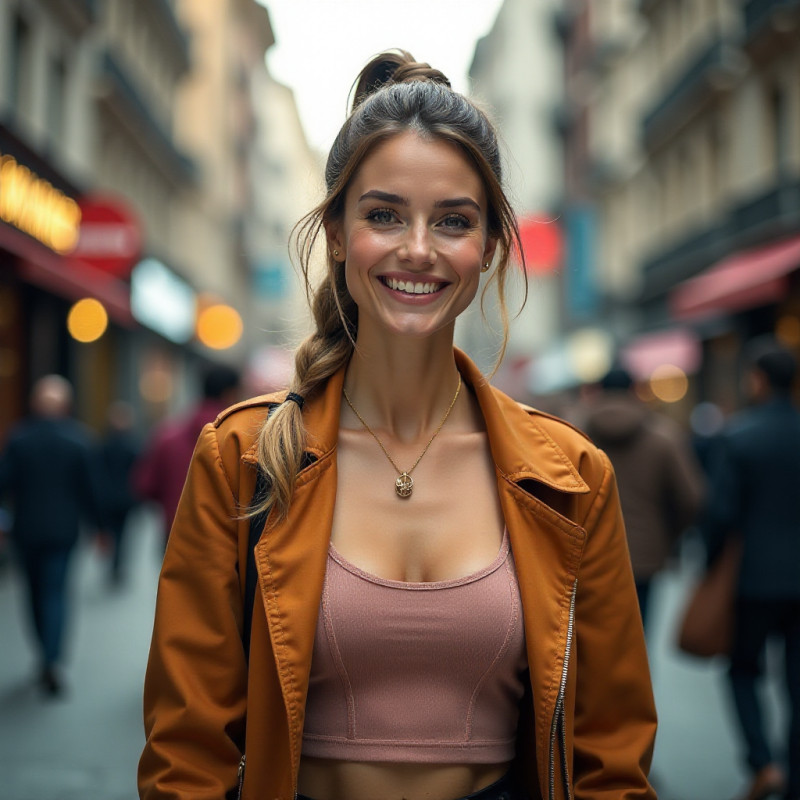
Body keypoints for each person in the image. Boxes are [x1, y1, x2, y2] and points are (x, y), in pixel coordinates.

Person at [138, 51, 657, 800]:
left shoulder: (572, 476)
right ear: (340, 234)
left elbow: (610, 755)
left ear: (488, 248)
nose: (418, 248)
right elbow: (185, 753)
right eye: (384, 215)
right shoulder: (242, 457)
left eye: (453, 220)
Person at [701, 337, 800, 800]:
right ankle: (795, 768)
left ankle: (763, 763)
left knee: (744, 670)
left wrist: (709, 567)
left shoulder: (739, 437)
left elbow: (720, 515)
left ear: (758, 379)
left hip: (752, 579)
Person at [0, 375, 101, 696]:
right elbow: (91, 490)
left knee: (33, 594)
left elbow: (3, 485)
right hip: (63, 531)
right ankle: (52, 659)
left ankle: (44, 652)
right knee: (55, 593)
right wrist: (101, 528)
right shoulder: (78, 440)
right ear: (66, 406)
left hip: (26, 530)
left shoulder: (19, 439)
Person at [583, 366, 705, 632]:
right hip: (646, 555)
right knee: (639, 636)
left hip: (590, 553)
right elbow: (692, 498)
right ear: (633, 391)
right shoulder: (662, 436)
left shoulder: (576, 435)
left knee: (596, 640)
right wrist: (668, 536)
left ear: (599, 392)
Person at [133, 363, 241, 546]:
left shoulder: (167, 435)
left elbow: (145, 486)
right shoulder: (242, 439)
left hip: (175, 531)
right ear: (229, 393)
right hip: (227, 538)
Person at [98, 401, 141, 586]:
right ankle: (117, 565)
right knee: (122, 534)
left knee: (115, 533)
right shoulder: (132, 444)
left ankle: (115, 565)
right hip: (124, 497)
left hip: (111, 497)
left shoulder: (104, 444)